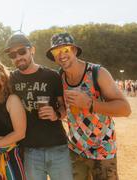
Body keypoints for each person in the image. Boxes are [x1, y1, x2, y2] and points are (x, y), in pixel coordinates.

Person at [46, 32, 131, 180]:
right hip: (76, 150)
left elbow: (125, 109)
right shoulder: (58, 78)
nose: (61, 55)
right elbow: (64, 111)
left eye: (65, 49)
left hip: (103, 150)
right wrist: (57, 114)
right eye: (56, 51)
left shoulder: (97, 73)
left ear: (74, 50)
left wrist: (89, 104)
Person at [5, 34, 73, 180]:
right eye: (13, 54)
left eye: (22, 51)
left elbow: (63, 108)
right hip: (29, 151)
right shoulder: (10, 80)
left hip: (58, 148)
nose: (18, 57)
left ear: (32, 50)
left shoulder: (52, 76)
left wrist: (56, 114)